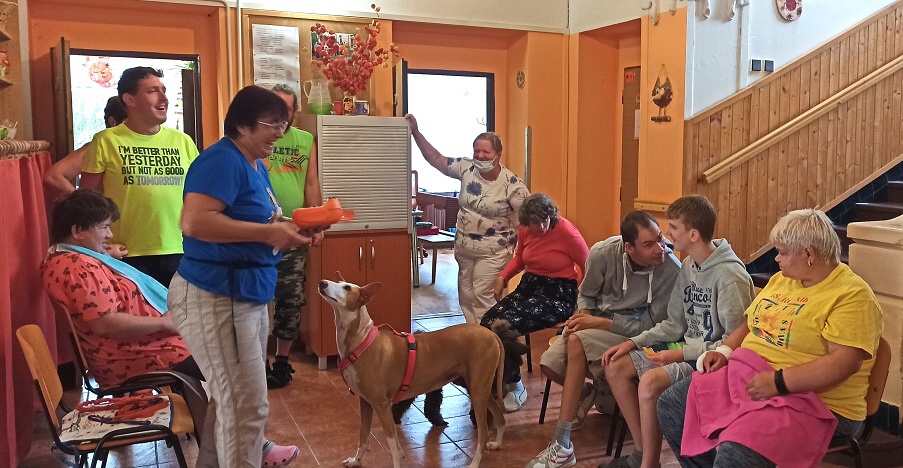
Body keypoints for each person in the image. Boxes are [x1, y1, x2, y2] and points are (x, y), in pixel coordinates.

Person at [168, 85, 324, 467]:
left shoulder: (255, 164)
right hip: (218, 294)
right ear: (241, 124)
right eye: (273, 124)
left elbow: (260, 223)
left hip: (246, 293)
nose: (280, 134)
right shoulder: (222, 160)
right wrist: (270, 234)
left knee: (234, 401)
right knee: (245, 406)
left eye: (284, 125)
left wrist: (293, 230)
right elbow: (194, 222)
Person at [657, 209, 883, 468]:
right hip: (752, 377)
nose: (776, 259)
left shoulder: (852, 295)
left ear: (809, 254)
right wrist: (725, 351)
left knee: (738, 449)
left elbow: (844, 363)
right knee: (673, 404)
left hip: (817, 402)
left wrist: (778, 382)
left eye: (782, 252)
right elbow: (751, 323)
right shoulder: (783, 280)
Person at [600, 195, 754, 468]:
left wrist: (682, 354)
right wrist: (633, 342)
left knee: (649, 383)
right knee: (615, 365)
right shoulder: (689, 266)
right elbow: (674, 323)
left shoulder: (730, 277)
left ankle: (649, 463)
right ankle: (641, 453)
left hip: (709, 360)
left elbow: (735, 343)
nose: (667, 234)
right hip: (684, 348)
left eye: (673, 227)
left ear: (693, 234)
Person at [526, 211, 682, 468]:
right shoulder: (603, 253)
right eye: (649, 244)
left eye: (660, 238)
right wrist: (584, 315)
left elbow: (650, 326)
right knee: (550, 365)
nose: (660, 248)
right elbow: (586, 294)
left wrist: (597, 324)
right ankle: (589, 391)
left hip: (636, 334)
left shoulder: (671, 270)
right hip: (596, 325)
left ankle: (561, 443)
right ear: (629, 248)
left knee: (577, 343)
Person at [40, 190, 202, 389]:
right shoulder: (78, 268)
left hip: (144, 348)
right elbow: (105, 323)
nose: (110, 234)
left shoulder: (66, 258)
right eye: (104, 227)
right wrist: (163, 323)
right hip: (144, 354)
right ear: (77, 232)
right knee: (231, 358)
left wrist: (105, 254)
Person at [80, 67, 199, 287]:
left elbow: (199, 197)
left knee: (179, 310)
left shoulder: (183, 141)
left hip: (179, 251)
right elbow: (86, 203)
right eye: (153, 91)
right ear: (130, 99)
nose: (164, 98)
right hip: (126, 254)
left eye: (163, 90)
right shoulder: (106, 140)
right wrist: (99, 246)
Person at [406, 113, 529, 325]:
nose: (480, 155)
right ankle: (473, 338)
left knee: (483, 297)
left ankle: (490, 341)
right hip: (464, 249)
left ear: (498, 155)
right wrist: (415, 132)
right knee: (466, 297)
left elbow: (529, 217)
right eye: (477, 150)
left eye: (486, 152)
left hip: (494, 252)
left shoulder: (512, 184)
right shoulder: (466, 168)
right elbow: (436, 159)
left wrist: (526, 253)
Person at [480, 193, 589, 412]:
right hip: (529, 286)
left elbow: (588, 265)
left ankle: (515, 385)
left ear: (551, 215)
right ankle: (497, 377)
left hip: (558, 294)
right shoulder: (525, 230)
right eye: (535, 223)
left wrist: (584, 301)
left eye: (545, 220)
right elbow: (521, 258)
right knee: (487, 321)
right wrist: (503, 277)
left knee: (505, 325)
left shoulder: (567, 232)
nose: (541, 226)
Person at [263, 84, 322, 389]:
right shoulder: (258, 138)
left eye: (287, 108)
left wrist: (316, 222)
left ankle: (282, 363)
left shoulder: (305, 140)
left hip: (295, 233)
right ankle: (258, 362)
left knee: (290, 299)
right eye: (276, 107)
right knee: (258, 301)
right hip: (259, 234)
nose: (282, 115)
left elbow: (311, 183)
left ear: (295, 112)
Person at [44, 96, 128, 194]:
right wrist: (83, 200)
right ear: (112, 122)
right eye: (128, 122)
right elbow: (53, 176)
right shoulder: (99, 146)